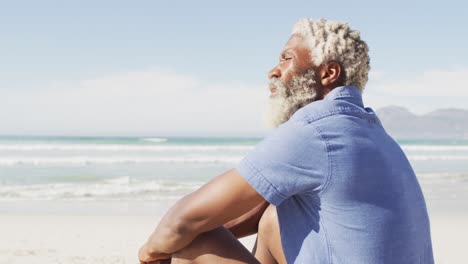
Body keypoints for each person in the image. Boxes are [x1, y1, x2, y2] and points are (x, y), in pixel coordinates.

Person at [139, 18, 434, 264]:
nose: (273, 70)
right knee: (272, 219)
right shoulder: (374, 134)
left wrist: (151, 252)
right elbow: (257, 209)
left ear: (328, 73)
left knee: (190, 240)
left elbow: (183, 219)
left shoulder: (315, 130)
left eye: (286, 58)